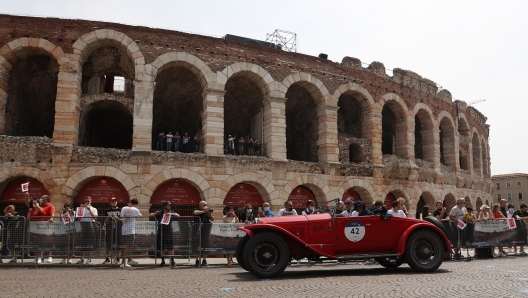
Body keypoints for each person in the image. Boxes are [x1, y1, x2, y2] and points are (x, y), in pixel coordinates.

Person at [25, 192, 55, 264]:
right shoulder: (39, 205)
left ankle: (49, 256)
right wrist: (27, 196)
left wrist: (52, 218)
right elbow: (29, 204)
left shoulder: (49, 206)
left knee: (46, 242)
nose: (41, 199)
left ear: (46, 199)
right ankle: (38, 257)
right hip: (35, 227)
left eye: (42, 198)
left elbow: (48, 213)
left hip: (45, 226)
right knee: (36, 242)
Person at [150, 201, 180, 268]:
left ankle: (172, 261)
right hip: (161, 232)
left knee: (170, 248)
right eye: (168, 205)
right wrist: (155, 213)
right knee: (162, 248)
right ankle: (163, 261)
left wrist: (171, 214)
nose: (170, 206)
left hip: (169, 232)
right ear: (165, 206)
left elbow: (178, 215)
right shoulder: (160, 212)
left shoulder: (171, 212)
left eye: (170, 205)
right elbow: (150, 215)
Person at [115, 198, 142, 268]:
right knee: (127, 246)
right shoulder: (135, 209)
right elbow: (140, 216)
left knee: (128, 246)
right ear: (136, 204)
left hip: (124, 229)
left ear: (130, 202)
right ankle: (123, 262)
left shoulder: (123, 208)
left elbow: (123, 217)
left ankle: (129, 259)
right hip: (130, 230)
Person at [76, 196, 98, 265]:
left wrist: (89, 210)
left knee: (90, 243)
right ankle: (81, 258)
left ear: (91, 201)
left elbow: (95, 218)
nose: (87, 202)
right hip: (82, 226)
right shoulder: (81, 209)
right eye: (86, 201)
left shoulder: (94, 209)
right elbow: (78, 219)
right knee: (82, 243)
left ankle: (89, 259)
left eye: (88, 201)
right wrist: (80, 210)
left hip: (90, 227)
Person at [194, 200, 214, 267]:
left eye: (206, 205)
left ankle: (204, 260)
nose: (206, 206)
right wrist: (203, 211)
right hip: (198, 229)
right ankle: (197, 261)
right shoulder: (197, 209)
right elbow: (195, 213)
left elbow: (212, 219)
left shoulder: (207, 211)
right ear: (200, 206)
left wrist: (209, 214)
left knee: (205, 244)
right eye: (204, 205)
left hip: (206, 229)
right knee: (197, 244)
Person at [103, 197, 122, 265]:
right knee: (108, 244)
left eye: (115, 201)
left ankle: (118, 258)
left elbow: (123, 219)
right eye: (113, 201)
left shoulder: (121, 210)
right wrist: (109, 217)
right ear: (110, 203)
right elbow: (105, 221)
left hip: (118, 229)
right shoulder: (107, 211)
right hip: (109, 229)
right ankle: (107, 258)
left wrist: (117, 218)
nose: (114, 203)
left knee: (118, 244)